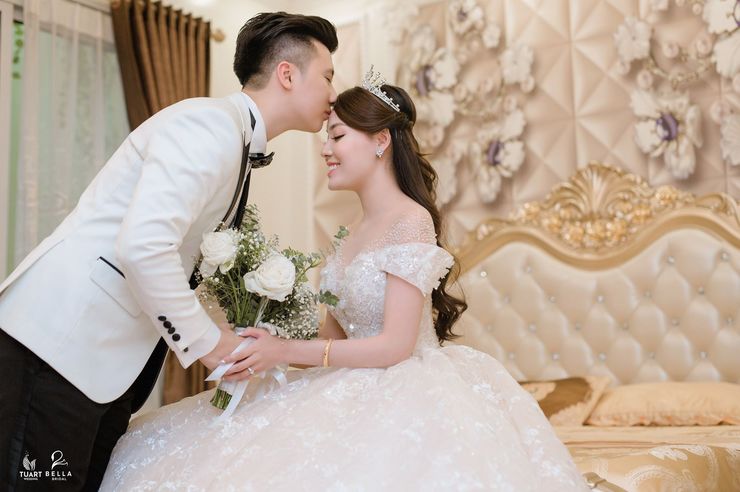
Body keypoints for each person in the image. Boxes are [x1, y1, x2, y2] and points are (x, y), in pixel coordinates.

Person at [101, 73, 588, 491]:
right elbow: (334, 338)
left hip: (407, 389)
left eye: (336, 136)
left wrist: (287, 350)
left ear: (380, 141)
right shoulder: (348, 232)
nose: (325, 149)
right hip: (345, 382)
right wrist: (270, 342)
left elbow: (394, 346)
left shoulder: (411, 221)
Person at [0, 12, 338, 490]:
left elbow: (177, 260)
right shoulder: (211, 125)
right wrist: (211, 345)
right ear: (287, 74)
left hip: (99, 364)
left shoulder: (234, 139)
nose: (333, 93)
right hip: (61, 347)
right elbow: (144, 247)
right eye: (327, 76)